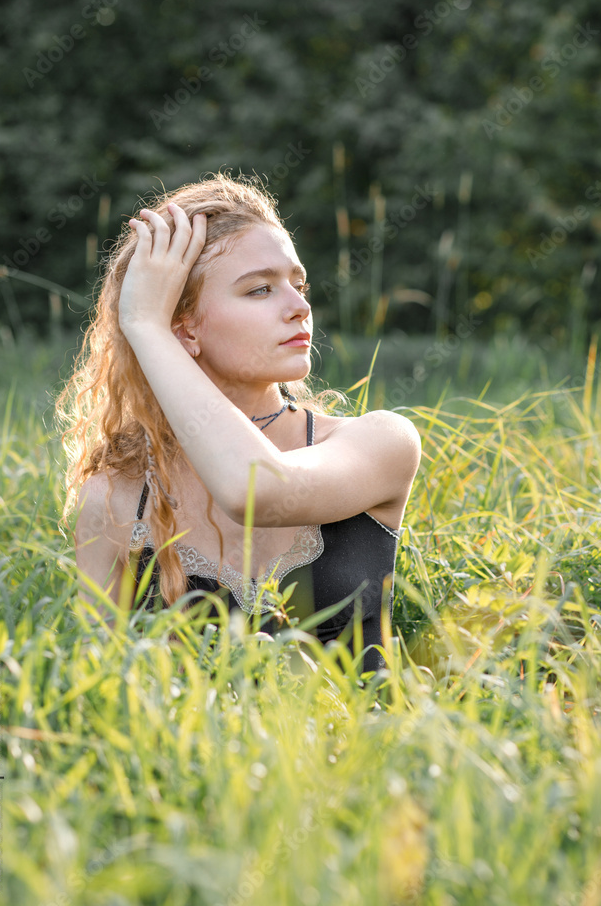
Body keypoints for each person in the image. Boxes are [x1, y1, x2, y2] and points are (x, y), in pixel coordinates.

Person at [55, 172, 421, 673]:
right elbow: (99, 690)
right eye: (260, 290)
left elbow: (256, 492)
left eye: (299, 284)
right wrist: (148, 325)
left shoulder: (382, 440)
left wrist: (146, 327)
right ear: (183, 328)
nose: (300, 307)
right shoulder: (115, 497)